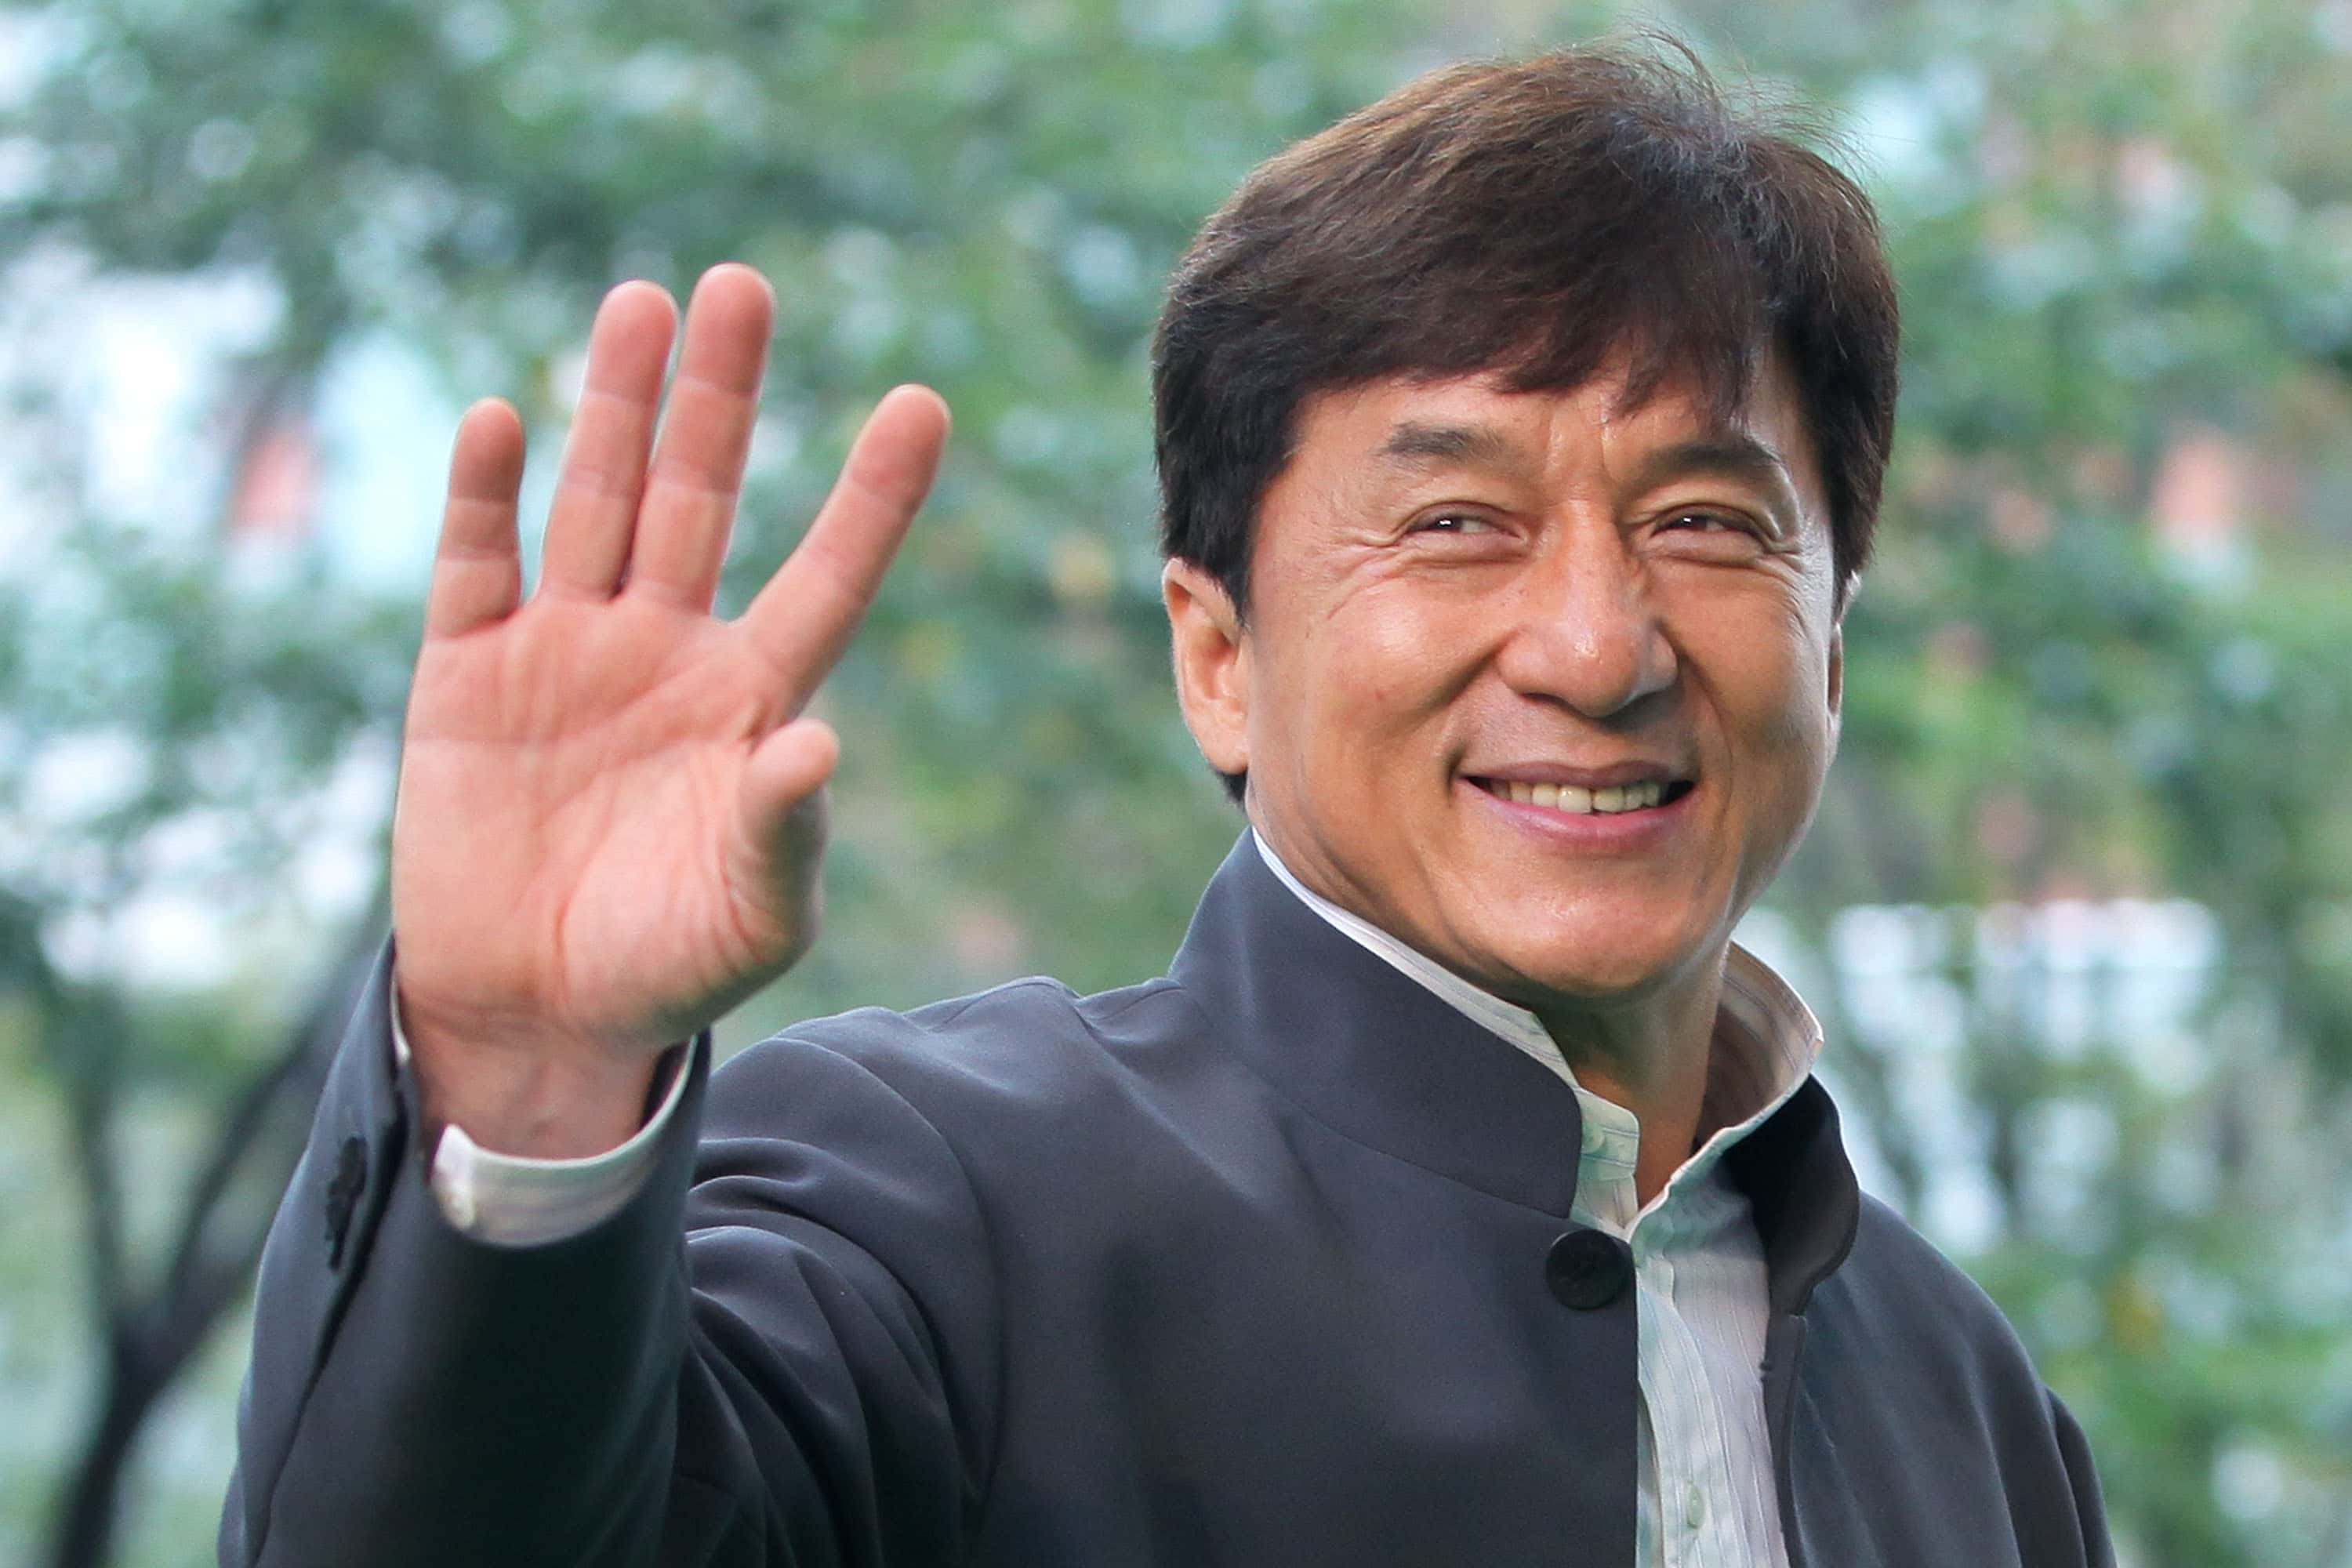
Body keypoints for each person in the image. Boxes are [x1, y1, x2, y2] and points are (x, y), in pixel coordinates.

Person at [220, 37, 2113, 1568]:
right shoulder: (928, 1212)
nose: (1598, 643)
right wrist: (529, 1074)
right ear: (1217, 652)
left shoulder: (1967, 1397)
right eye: (1457, 520)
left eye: (1703, 521)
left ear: (1835, 645)